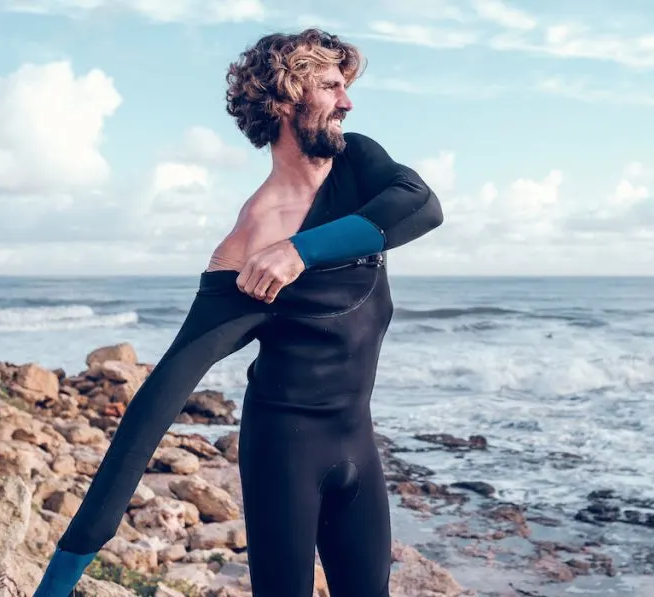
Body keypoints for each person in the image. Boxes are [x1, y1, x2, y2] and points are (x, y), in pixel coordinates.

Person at [33, 28, 443, 597]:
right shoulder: (245, 248)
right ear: (283, 99)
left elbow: (422, 206)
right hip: (284, 453)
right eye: (329, 86)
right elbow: (155, 406)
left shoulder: (358, 166)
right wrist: (58, 579)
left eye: (345, 86)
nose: (347, 101)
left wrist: (300, 252)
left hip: (358, 444)